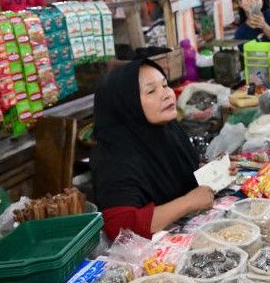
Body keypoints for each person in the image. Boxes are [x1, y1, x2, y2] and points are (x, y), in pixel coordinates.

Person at [91, 59, 214, 240]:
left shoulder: (168, 130)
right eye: (151, 91)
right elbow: (119, 227)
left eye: (165, 85)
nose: (166, 94)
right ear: (127, 104)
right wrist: (189, 202)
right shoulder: (114, 156)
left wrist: (213, 171)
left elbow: (183, 177)